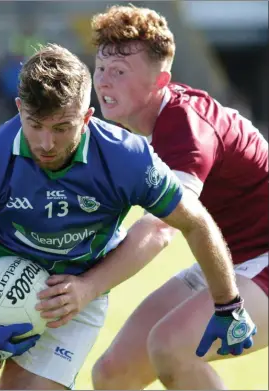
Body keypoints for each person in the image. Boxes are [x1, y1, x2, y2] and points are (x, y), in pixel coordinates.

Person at [0, 44, 256, 391]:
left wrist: (228, 304)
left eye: (62, 127)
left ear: (87, 116)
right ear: (19, 109)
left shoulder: (126, 158)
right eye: (35, 125)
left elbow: (195, 222)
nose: (47, 143)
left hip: (74, 301)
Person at [90, 5, 268, 390]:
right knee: (112, 373)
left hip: (262, 258)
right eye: (101, 69)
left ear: (160, 81)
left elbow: (161, 228)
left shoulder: (185, 125)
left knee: (172, 347)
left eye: (119, 73)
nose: (104, 82)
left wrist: (87, 287)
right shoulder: (132, 129)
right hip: (227, 261)